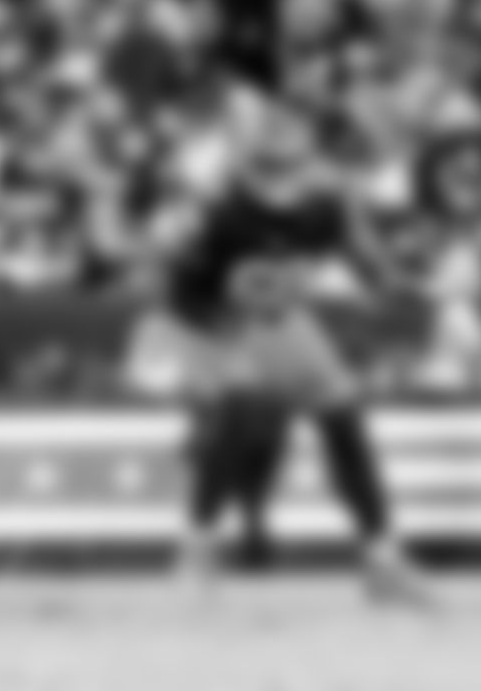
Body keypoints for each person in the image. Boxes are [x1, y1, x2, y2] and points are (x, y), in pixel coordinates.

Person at [148, 104, 432, 607]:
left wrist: (399, 281)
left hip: (282, 318)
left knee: (344, 416)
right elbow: (179, 288)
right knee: (242, 405)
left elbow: (368, 264)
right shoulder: (221, 213)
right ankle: (198, 547)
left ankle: (381, 557)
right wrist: (216, 340)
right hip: (214, 321)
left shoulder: (324, 206)